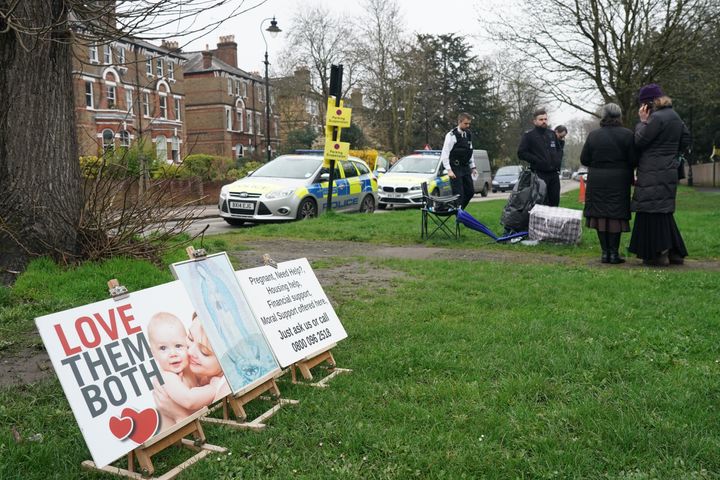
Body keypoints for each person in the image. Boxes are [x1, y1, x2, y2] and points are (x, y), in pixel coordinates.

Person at [629, 83, 691, 266]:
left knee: (650, 210)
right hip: (668, 169)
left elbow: (640, 140)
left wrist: (642, 121)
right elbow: (686, 138)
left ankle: (656, 253)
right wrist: (673, 155)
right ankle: (675, 252)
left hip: (652, 170)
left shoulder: (655, 118)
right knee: (662, 210)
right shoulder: (675, 116)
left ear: (647, 104)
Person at [147, 312, 223, 430]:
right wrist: (213, 387)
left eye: (178, 346)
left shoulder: (186, 367)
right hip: (175, 431)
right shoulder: (166, 377)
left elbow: (198, 381)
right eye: (163, 348)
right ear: (153, 353)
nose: (173, 354)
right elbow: (189, 400)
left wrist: (205, 380)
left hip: (191, 422)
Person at [580, 104, 635, 264]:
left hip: (597, 179)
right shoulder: (627, 135)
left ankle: (605, 253)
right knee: (615, 216)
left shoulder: (593, 135)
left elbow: (584, 159)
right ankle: (614, 253)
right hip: (619, 180)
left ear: (603, 116)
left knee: (600, 215)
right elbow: (633, 159)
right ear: (619, 116)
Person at [517, 108, 562, 206]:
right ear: (535, 121)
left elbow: (559, 149)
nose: (544, 122)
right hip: (539, 175)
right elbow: (521, 153)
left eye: (545, 119)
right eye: (541, 120)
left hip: (554, 174)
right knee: (541, 202)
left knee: (554, 202)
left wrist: (557, 161)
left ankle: (552, 221)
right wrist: (536, 160)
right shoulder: (529, 135)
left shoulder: (551, 134)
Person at [440, 112, 477, 209]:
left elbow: (470, 151)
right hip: (455, 168)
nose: (468, 125)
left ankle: (458, 210)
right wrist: (449, 170)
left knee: (470, 192)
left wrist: (473, 167)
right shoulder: (451, 135)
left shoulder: (468, 134)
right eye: (466, 123)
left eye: (469, 123)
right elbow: (445, 153)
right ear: (459, 122)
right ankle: (458, 214)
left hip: (465, 167)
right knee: (459, 194)